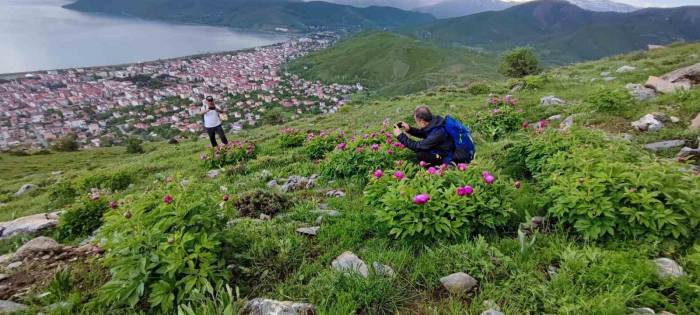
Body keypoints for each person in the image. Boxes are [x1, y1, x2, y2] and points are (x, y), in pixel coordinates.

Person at [393, 105, 474, 166]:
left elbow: (417, 146)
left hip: (449, 156)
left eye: (416, 121)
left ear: (421, 121)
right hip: (445, 149)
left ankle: (440, 169)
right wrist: (409, 129)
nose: (416, 123)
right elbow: (425, 133)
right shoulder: (435, 122)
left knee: (421, 154)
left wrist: (400, 136)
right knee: (423, 150)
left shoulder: (438, 133)